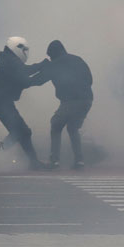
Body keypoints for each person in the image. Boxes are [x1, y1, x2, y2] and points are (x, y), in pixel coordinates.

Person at [30, 40, 94, 170]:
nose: (50, 58)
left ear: (53, 53)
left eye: (50, 55)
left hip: (71, 101)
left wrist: (22, 81)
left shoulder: (55, 64)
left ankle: (54, 161)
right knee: (73, 128)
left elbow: (39, 80)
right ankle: (79, 160)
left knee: (56, 124)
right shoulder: (78, 59)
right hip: (87, 100)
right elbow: (90, 79)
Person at [0, 37, 46, 169]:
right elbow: (25, 78)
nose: (26, 52)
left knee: (20, 131)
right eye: (24, 49)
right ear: (17, 47)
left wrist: (41, 67)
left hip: (2, 102)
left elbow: (24, 72)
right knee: (22, 131)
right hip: (2, 103)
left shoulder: (9, 59)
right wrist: (43, 69)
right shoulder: (10, 61)